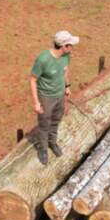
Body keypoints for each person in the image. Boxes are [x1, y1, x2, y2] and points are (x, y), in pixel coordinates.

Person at [29, 30, 79, 165]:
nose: (72, 47)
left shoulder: (66, 56)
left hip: (60, 95)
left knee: (56, 120)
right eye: (71, 45)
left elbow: (65, 70)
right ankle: (43, 149)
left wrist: (67, 86)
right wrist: (36, 102)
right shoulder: (43, 59)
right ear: (63, 46)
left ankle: (52, 143)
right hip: (46, 98)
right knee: (44, 124)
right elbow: (32, 80)